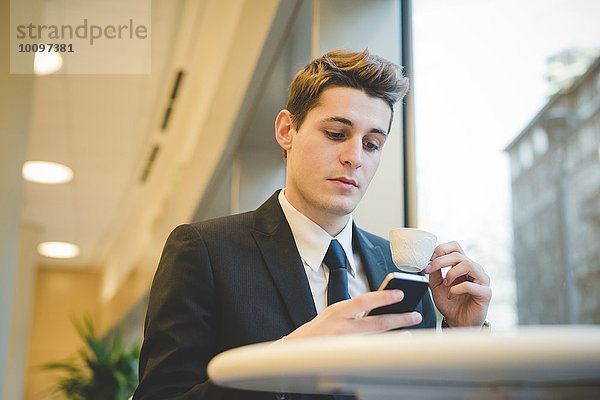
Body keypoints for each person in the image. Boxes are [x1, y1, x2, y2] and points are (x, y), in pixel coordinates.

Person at [134, 49, 492, 400]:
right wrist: (286, 360)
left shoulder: (403, 268)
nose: (354, 158)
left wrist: (464, 336)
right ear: (287, 130)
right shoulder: (204, 251)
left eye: (372, 144)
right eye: (336, 134)